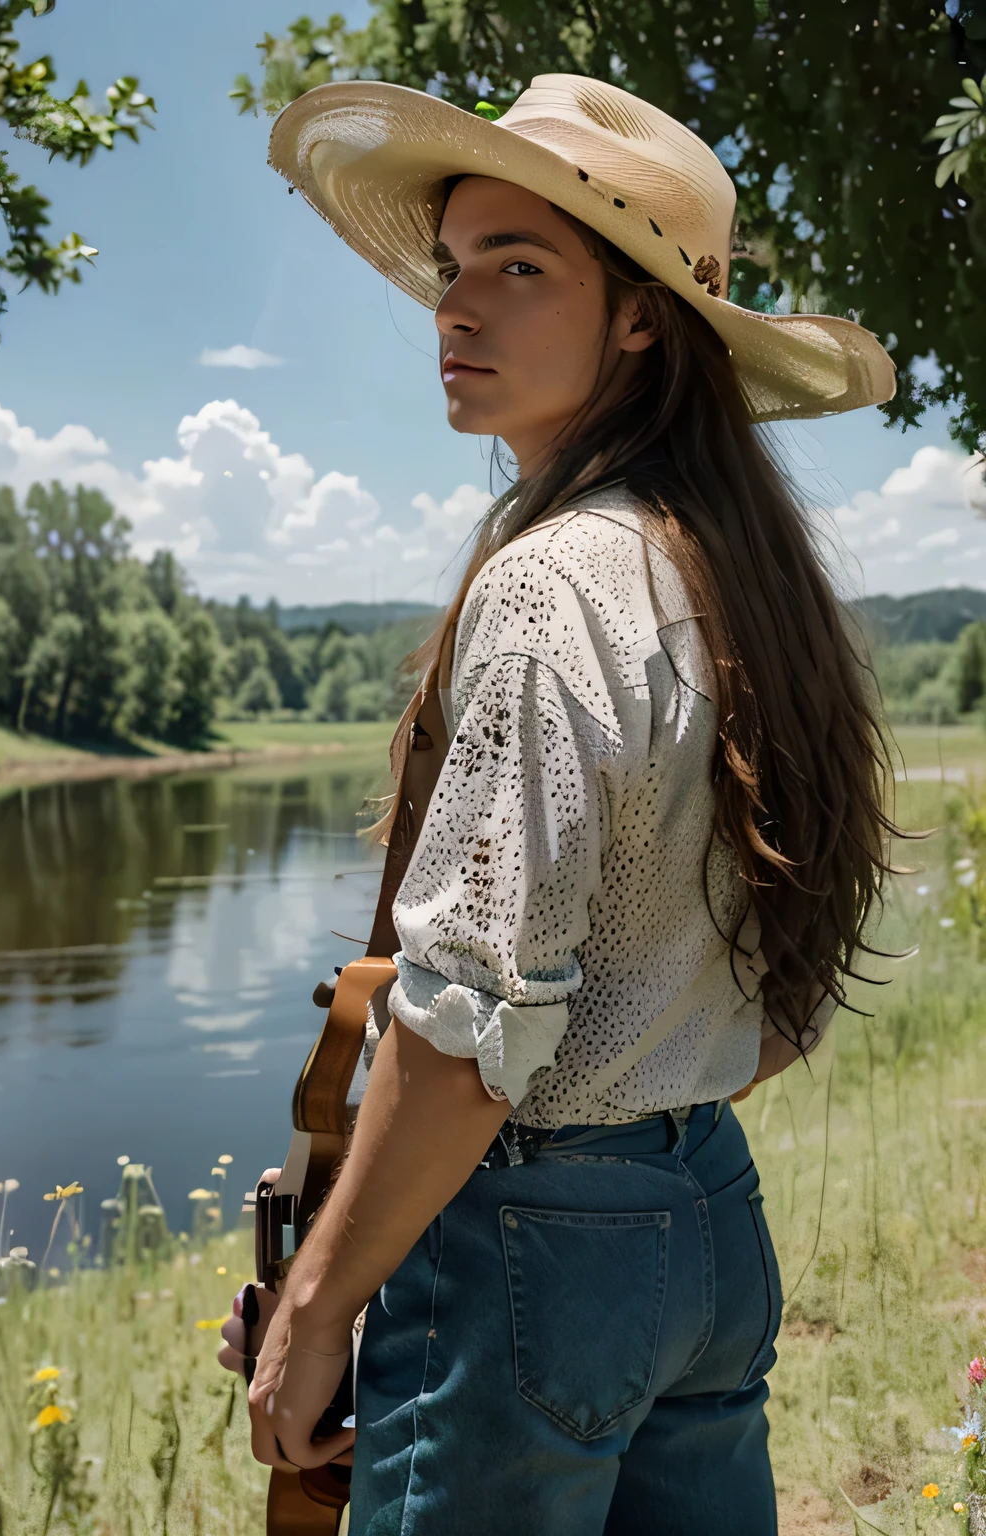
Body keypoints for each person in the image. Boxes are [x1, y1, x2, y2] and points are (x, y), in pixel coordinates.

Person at [219, 74, 898, 1534]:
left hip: (526, 1243)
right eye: (454, 270)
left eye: (520, 269)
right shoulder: (735, 579)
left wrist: (319, 1304)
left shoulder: (551, 581)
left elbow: (467, 1031)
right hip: (707, 1209)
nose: (456, 311)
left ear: (644, 316)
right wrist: (651, 1119)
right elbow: (791, 992)